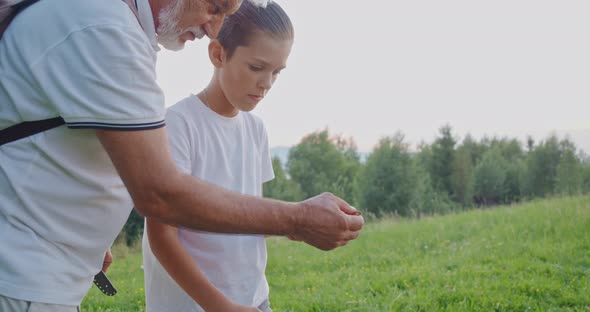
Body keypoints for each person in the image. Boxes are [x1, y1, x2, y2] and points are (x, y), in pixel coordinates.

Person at [0, 0, 364, 310]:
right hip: (24, 274)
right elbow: (159, 194)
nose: (214, 27)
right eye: (215, 7)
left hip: (40, 274)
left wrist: (92, 231)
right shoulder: (101, 27)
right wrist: (297, 219)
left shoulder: (105, 22)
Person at [144, 2, 292, 311]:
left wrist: (302, 222)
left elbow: (252, 215)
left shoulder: (256, 129)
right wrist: (220, 306)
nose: (266, 83)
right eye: (256, 67)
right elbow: (161, 236)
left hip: (254, 300)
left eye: (277, 72)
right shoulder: (177, 124)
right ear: (218, 54)